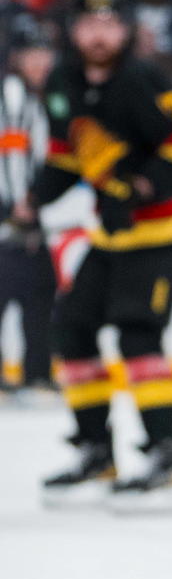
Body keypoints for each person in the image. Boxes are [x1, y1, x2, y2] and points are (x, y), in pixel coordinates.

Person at [13, 0, 172, 511]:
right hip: (112, 235)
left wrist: (137, 190)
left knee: (137, 332)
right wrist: (33, 201)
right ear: (73, 31)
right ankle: (96, 452)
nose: (98, 35)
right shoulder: (62, 82)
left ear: (126, 30)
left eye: (109, 24)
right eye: (88, 25)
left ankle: (168, 462)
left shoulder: (145, 81)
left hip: (165, 234)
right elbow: (67, 155)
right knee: (71, 328)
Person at [0, 26, 59, 403]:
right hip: (11, 213)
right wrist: (21, 203)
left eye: (44, 53)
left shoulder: (34, 97)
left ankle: (35, 373)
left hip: (16, 211)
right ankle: (36, 375)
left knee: (32, 289)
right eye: (31, 54)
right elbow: (11, 151)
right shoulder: (13, 94)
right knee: (34, 287)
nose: (40, 62)